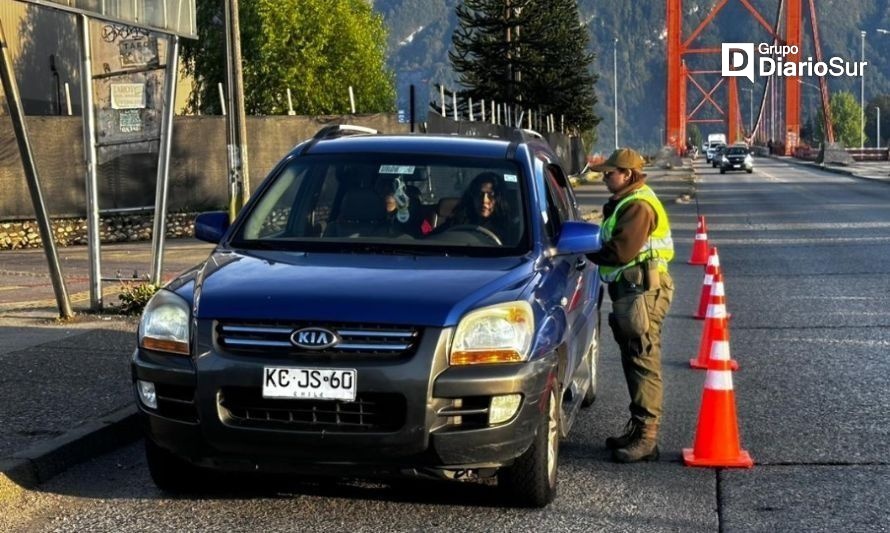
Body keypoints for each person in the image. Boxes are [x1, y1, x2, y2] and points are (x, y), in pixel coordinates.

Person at [585, 148, 675, 463]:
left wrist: (586, 251)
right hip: (632, 288)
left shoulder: (638, 206)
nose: (604, 177)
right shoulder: (627, 202)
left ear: (628, 175)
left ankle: (647, 438)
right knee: (634, 356)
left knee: (642, 357)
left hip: (643, 291)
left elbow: (621, 252)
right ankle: (638, 430)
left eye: (610, 173)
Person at [434, 172, 514, 244]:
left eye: (491, 195)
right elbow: (432, 240)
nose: (484, 200)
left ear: (498, 199)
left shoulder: (507, 229)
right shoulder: (457, 221)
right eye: (480, 194)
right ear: (472, 197)